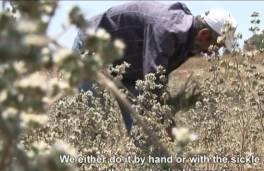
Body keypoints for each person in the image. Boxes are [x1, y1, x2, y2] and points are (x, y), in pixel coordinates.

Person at [72, 1, 237, 136]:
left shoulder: (188, 42)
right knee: (95, 126)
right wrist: (170, 127)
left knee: (147, 138)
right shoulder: (168, 28)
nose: (213, 52)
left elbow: (157, 80)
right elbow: (152, 84)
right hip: (91, 49)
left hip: (129, 70)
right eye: (216, 46)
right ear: (204, 34)